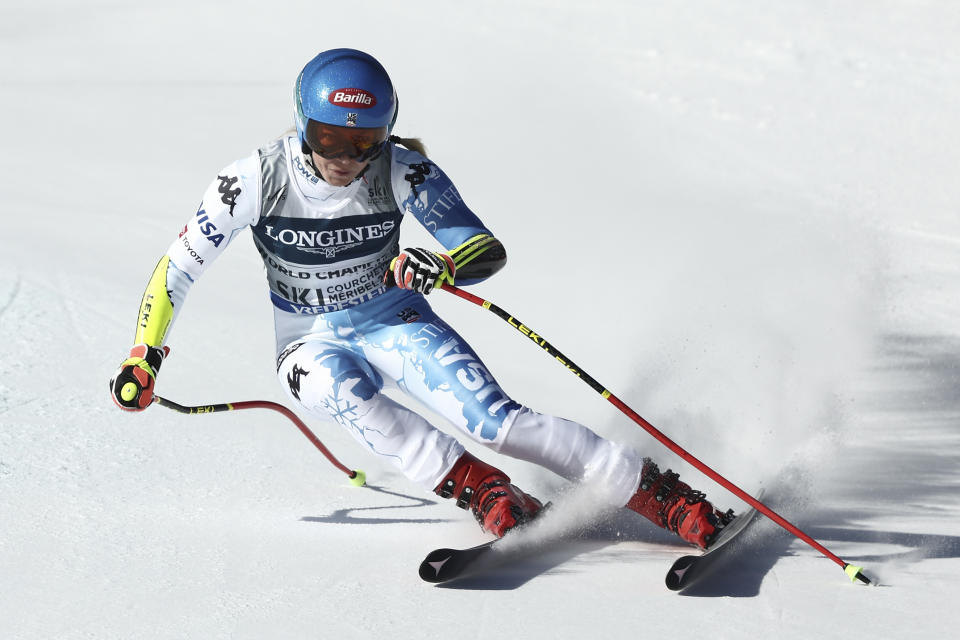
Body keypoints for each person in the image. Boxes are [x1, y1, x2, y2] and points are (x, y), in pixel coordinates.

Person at [109, 48, 732, 548]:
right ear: (302, 124)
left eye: (363, 142)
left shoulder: (402, 171)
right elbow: (176, 268)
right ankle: (486, 491)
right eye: (328, 139)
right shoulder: (254, 181)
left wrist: (443, 263)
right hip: (307, 339)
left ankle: (666, 498)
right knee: (335, 391)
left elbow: (484, 248)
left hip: (392, 318)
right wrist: (146, 353)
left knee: (496, 423)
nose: (345, 160)